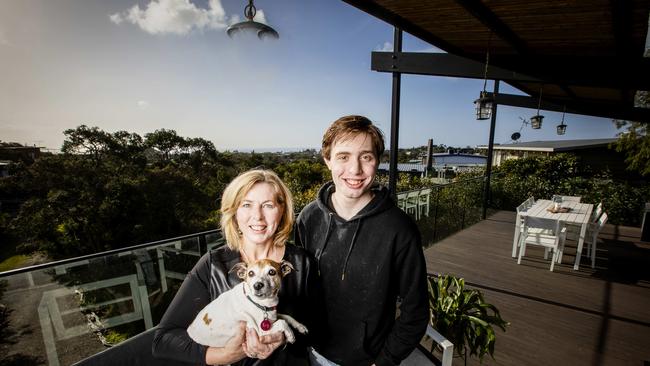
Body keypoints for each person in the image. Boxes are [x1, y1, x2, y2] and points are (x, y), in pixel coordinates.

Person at [295, 115, 429, 366]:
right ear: (328, 160)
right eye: (343, 157)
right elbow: (296, 286)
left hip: (366, 360)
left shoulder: (399, 228)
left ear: (377, 161)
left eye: (366, 157)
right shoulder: (308, 218)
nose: (355, 170)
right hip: (310, 353)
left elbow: (417, 311)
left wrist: (385, 361)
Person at [153, 169, 318, 365]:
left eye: (268, 205)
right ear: (234, 212)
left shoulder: (301, 262)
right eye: (247, 205)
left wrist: (283, 338)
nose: (257, 216)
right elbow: (163, 341)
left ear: (282, 212)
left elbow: (319, 332)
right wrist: (224, 355)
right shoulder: (213, 264)